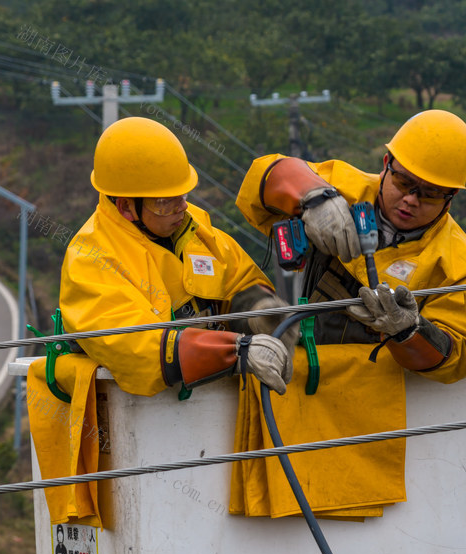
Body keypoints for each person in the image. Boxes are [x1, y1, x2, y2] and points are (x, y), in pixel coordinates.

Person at [235, 109, 466, 383]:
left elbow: (458, 358)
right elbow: (263, 176)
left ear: (450, 198)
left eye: (431, 194)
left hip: (378, 391)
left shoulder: (464, 267)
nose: (411, 199)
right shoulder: (344, 187)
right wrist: (311, 196)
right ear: (386, 164)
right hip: (305, 374)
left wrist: (409, 331)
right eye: (404, 182)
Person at [59, 116, 293, 396]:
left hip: (213, 400)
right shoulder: (90, 259)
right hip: (139, 413)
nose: (181, 207)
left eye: (182, 195)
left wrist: (257, 312)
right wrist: (233, 352)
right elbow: (134, 345)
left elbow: (238, 278)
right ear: (125, 207)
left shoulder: (195, 231)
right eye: (164, 202)